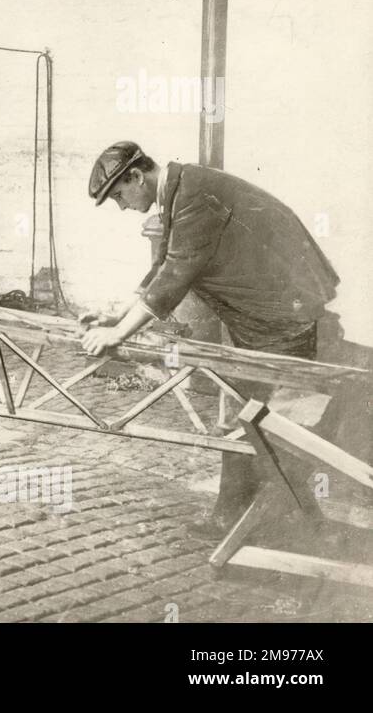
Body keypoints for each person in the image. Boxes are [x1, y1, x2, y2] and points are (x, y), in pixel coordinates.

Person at [79, 140, 340, 538]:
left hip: (286, 316)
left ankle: (289, 521)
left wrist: (118, 332)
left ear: (135, 176)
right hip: (264, 318)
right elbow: (163, 264)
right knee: (246, 415)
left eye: (119, 195)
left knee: (258, 421)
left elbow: (175, 276)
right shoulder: (179, 189)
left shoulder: (193, 194)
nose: (123, 206)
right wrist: (118, 316)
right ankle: (241, 516)